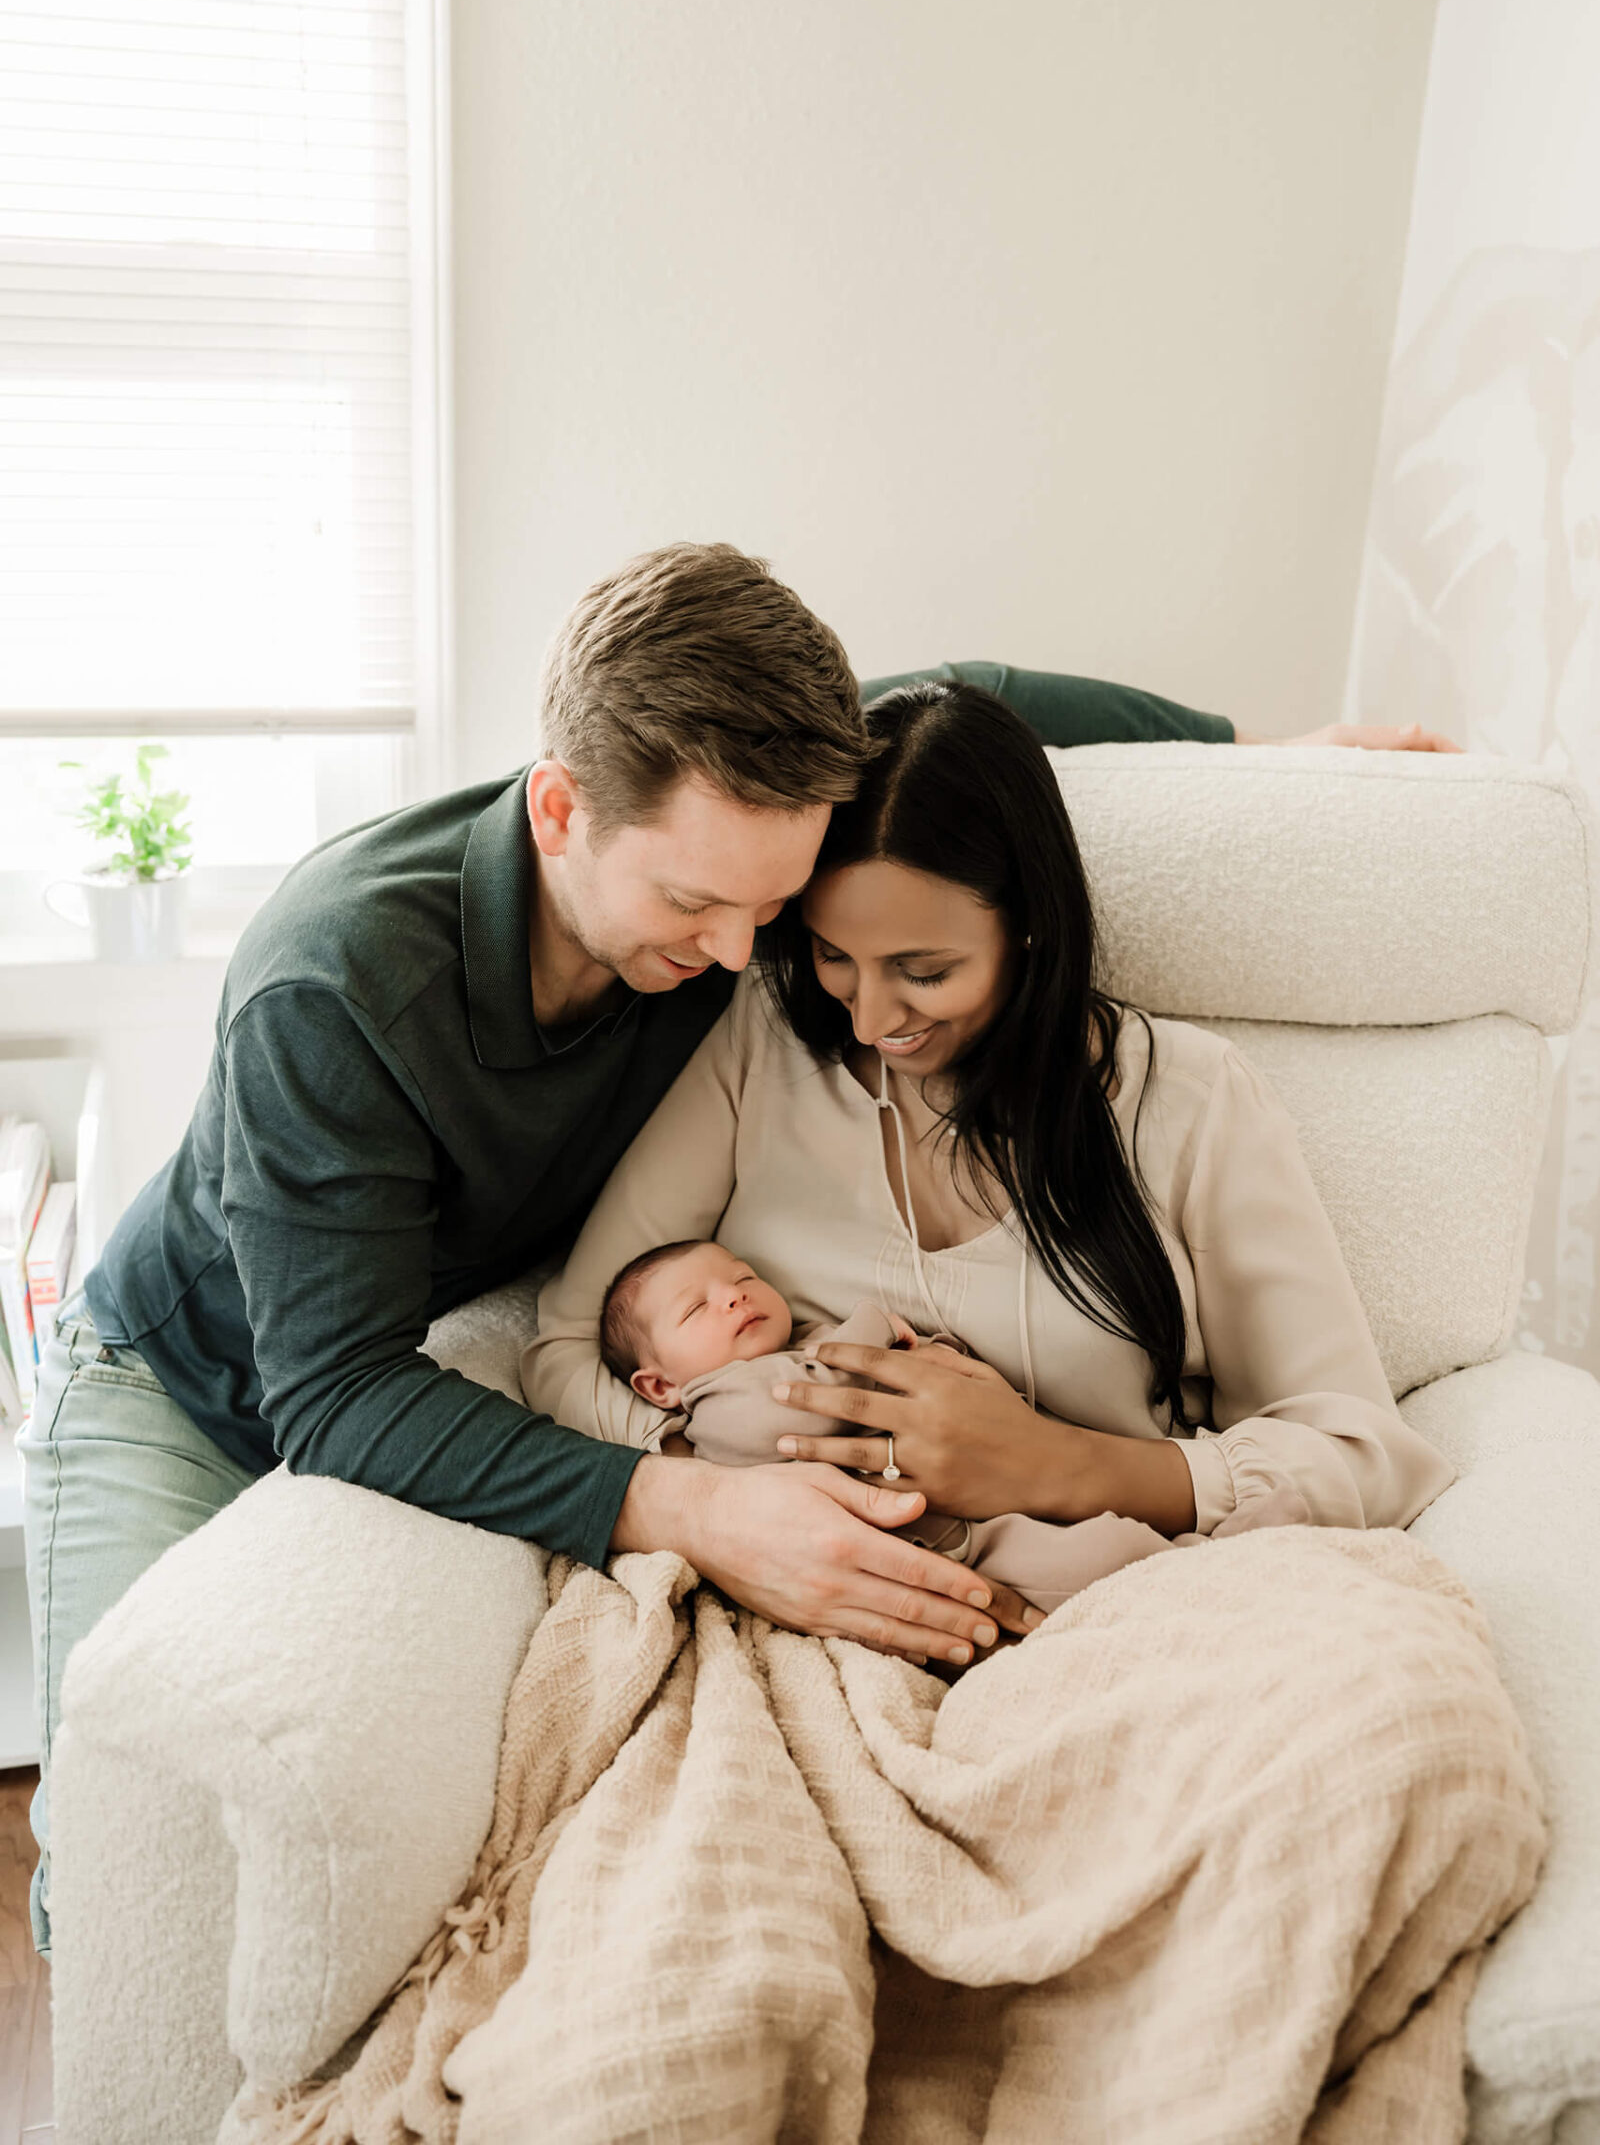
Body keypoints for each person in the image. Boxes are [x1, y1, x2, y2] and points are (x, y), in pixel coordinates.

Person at [20, 540, 1458, 1959]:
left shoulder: (742, 788)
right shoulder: (333, 983)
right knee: (117, 1847)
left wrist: (1266, 750)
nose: (735, 963)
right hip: (186, 1378)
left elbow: (975, 700)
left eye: (771, 912)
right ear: (562, 807)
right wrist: (701, 1504)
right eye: (695, 909)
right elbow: (335, 1389)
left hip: (423, 1345)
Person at [524, 680, 1456, 1605]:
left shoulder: (1189, 1101)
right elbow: (567, 1346)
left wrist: (1061, 1465)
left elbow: (1360, 1455)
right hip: (805, 1600)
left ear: (1032, 931)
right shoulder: (764, 1040)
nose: (872, 1017)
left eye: (923, 972)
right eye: (834, 956)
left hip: (1101, 1590)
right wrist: (742, 1490)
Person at [597, 1237, 1318, 1618]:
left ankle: (1219, 1551)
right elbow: (805, 1411)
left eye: (743, 1278)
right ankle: (1217, 1570)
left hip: (981, 1489)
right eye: (698, 1310)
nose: (733, 1299)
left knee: (1101, 1528)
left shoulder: (802, 1342)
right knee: (1096, 1559)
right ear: (659, 1385)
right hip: (950, 1546)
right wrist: (876, 1329)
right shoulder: (716, 1406)